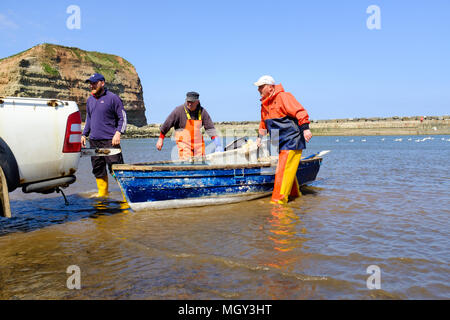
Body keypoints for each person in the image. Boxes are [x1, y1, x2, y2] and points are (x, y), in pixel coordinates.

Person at [254, 75, 312, 205]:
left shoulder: (284, 97)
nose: (259, 89)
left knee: (282, 172)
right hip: (279, 143)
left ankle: (278, 204)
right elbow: (263, 124)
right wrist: (259, 138)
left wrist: (306, 128)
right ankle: (295, 197)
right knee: (286, 170)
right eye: (258, 87)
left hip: (292, 140)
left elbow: (300, 112)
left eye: (261, 87)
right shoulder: (264, 104)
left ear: (270, 87)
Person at [81, 73, 127, 197]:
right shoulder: (90, 100)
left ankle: (126, 197)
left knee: (116, 169)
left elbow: (122, 117)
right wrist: (84, 134)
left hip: (110, 141)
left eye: (94, 83)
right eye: (90, 83)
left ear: (102, 83)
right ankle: (103, 196)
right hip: (94, 141)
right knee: (98, 169)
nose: (91, 85)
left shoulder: (113, 98)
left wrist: (118, 133)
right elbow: (89, 119)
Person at [156, 91, 223, 160]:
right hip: (184, 143)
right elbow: (167, 124)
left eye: (192, 102)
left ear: (197, 102)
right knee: (187, 159)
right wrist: (161, 139)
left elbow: (210, 128)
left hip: (198, 143)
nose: (190, 104)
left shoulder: (202, 112)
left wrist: (218, 145)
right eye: (188, 101)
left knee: (201, 161)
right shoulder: (178, 111)